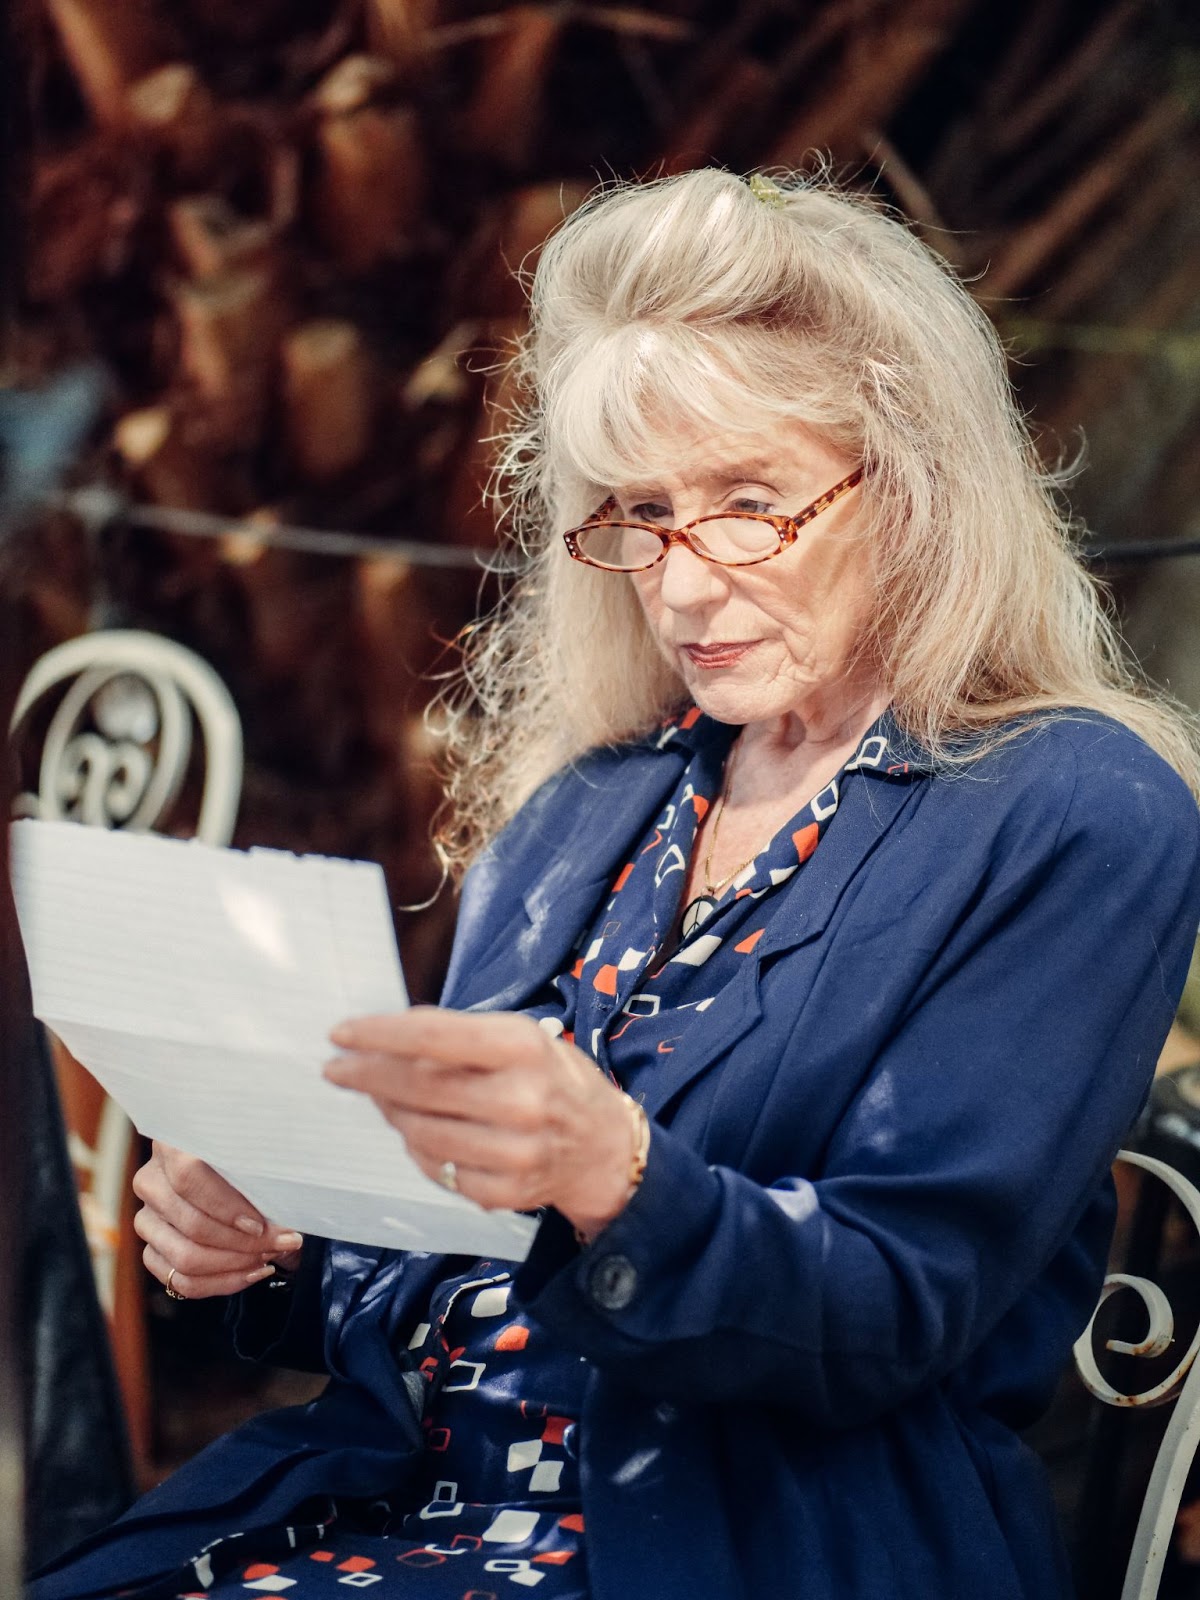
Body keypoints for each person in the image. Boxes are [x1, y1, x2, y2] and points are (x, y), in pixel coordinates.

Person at [30, 167, 1200, 1600]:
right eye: (639, 515)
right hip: (405, 1508)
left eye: (748, 506)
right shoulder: (592, 806)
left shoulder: (1072, 807)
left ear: (916, 490)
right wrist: (278, 1245)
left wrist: (619, 1181)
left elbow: (890, 1310)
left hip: (757, 1545)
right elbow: (443, 1282)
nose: (685, 585)